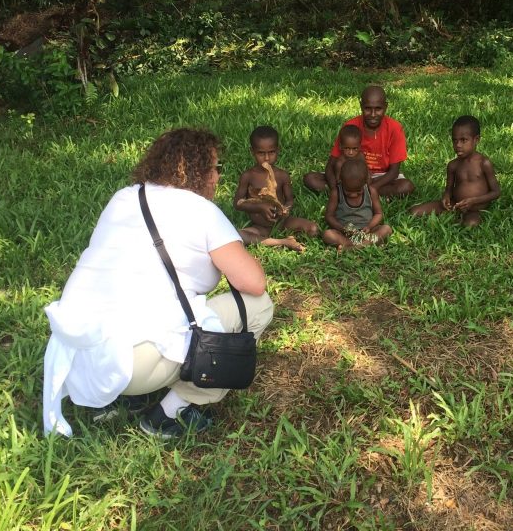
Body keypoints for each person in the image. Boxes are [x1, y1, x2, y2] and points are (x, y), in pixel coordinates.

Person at [42, 128, 275, 438]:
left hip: (82, 356)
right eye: (216, 168)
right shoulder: (202, 211)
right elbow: (254, 282)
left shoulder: (125, 196)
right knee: (259, 306)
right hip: (133, 362)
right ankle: (171, 412)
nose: (218, 177)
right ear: (198, 171)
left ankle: (123, 398)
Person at [303, 85, 415, 198]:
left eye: (378, 109)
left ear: (385, 107)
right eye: (367, 108)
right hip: (348, 176)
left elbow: (394, 172)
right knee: (311, 179)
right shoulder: (350, 126)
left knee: (406, 186)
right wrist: (334, 189)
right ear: (361, 106)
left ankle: (358, 194)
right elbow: (330, 166)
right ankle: (352, 194)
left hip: (381, 177)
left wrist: (372, 187)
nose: (373, 114)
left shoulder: (395, 128)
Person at [233, 125, 319, 251]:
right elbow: (237, 203)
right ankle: (283, 242)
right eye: (261, 153)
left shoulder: (282, 175)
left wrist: (285, 210)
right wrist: (259, 207)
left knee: (313, 229)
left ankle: (278, 240)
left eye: (271, 152)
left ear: (278, 150)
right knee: (237, 235)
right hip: (260, 226)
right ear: (252, 152)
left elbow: (289, 199)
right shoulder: (248, 176)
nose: (267, 158)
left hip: (282, 222)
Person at [410, 115, 500, 227]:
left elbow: (496, 192)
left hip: (474, 208)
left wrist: (473, 201)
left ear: (476, 140)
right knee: (414, 211)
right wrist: (446, 197)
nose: (458, 145)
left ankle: (453, 223)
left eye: (463, 140)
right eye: (455, 140)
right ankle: (452, 216)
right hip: (454, 204)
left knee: (471, 224)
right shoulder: (453, 165)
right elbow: (449, 189)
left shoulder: (483, 163)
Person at [322, 159, 393, 249]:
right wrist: (343, 229)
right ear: (341, 180)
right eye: (348, 191)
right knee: (327, 234)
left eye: (358, 191)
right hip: (345, 234)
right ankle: (361, 245)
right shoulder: (336, 193)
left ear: (365, 182)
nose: (353, 195)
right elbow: (329, 216)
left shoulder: (371, 191)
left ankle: (351, 247)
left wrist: (369, 226)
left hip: (367, 232)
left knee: (386, 229)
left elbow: (378, 214)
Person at [323, 124, 364, 189]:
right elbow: (338, 180)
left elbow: (365, 171)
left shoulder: (360, 156)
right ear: (340, 147)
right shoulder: (340, 163)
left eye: (354, 148)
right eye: (347, 148)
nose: (351, 152)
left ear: (359, 147)